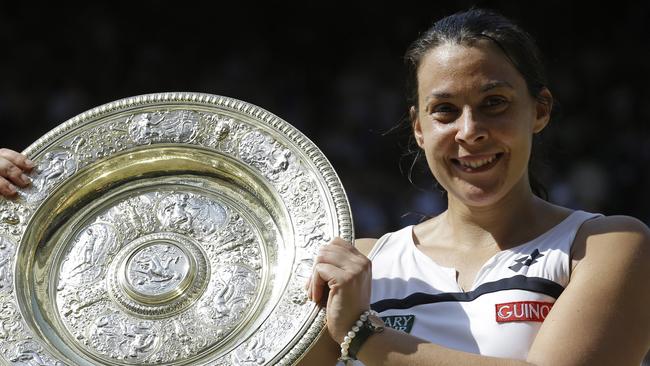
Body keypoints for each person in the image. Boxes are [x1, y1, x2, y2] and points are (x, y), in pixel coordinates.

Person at [1, 9, 648, 366]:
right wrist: (20, 229)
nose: (470, 130)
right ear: (418, 129)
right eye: (445, 111)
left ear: (540, 110)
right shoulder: (350, 263)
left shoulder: (609, 246)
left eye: (495, 103)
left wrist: (365, 337)